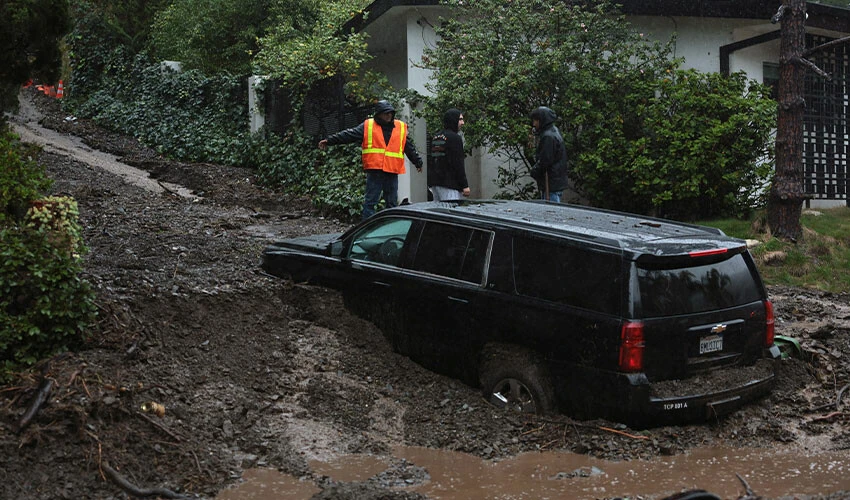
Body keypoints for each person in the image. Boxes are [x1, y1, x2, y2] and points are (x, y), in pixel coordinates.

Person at [318, 100, 423, 219]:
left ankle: (390, 228)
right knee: (371, 202)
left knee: (391, 204)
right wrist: (330, 140)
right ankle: (367, 229)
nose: (389, 115)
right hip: (375, 170)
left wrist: (417, 162)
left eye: (390, 113)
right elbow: (349, 135)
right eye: (386, 113)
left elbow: (408, 146)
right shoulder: (368, 125)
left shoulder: (400, 127)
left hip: (392, 170)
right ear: (378, 114)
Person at [428, 108, 470, 201]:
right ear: (453, 120)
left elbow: (433, 161)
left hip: (435, 184)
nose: (462, 123)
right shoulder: (455, 138)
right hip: (450, 185)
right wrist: (465, 185)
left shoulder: (436, 137)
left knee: (439, 212)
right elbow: (458, 163)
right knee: (451, 212)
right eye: (460, 119)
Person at [529, 106, 568, 203]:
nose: (534, 124)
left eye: (535, 121)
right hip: (555, 182)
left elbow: (545, 160)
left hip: (550, 183)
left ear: (541, 120)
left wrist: (534, 171)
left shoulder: (548, 137)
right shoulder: (553, 131)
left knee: (551, 213)